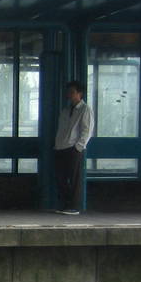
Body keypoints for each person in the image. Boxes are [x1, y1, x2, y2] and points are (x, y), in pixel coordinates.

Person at [53, 80, 94, 215]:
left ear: (80, 94)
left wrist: (78, 147)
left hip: (73, 148)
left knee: (74, 178)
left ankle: (74, 206)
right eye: (68, 92)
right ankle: (64, 204)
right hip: (61, 147)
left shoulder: (85, 109)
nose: (69, 95)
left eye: (72, 92)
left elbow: (87, 130)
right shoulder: (65, 110)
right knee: (61, 178)